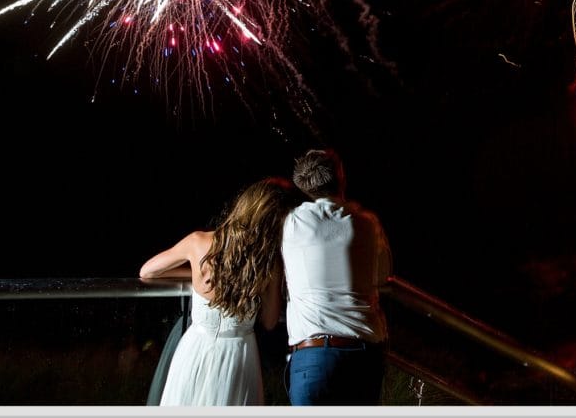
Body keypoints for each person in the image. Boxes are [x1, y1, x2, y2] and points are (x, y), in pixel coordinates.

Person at [139, 177, 296, 406]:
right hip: (239, 355)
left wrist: (195, 271)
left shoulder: (198, 242)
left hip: (195, 347)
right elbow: (270, 321)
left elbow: (148, 271)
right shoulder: (268, 263)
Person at [282, 149, 392, 405]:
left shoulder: (292, 223)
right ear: (341, 176)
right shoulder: (367, 223)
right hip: (362, 353)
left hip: (313, 355)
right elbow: (384, 274)